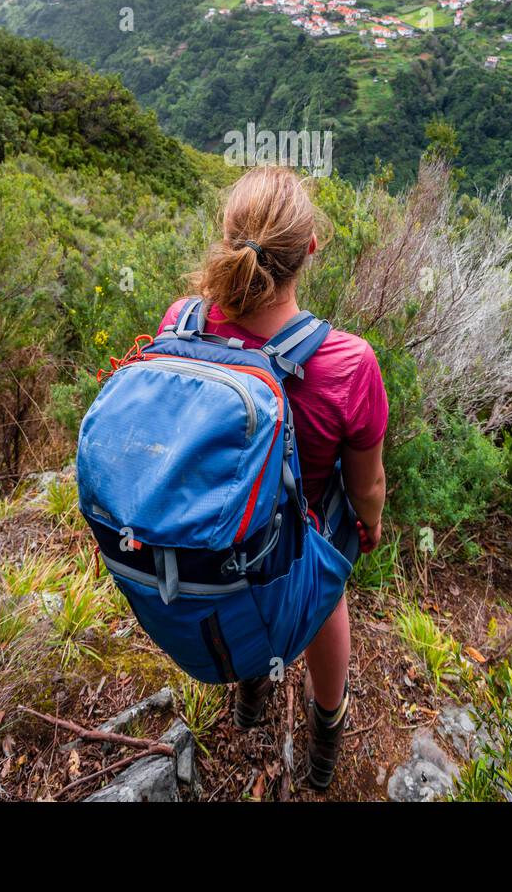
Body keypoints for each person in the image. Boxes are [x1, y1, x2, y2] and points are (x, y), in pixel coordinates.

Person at [157, 164, 388, 788]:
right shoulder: (347, 364)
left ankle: (251, 689)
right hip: (286, 549)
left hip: (206, 545)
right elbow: (366, 487)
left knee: (251, 547)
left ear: (227, 240)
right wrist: (368, 527)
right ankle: (325, 734)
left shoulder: (181, 322)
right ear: (310, 249)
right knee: (326, 570)